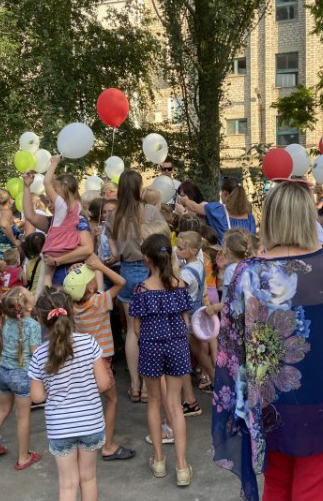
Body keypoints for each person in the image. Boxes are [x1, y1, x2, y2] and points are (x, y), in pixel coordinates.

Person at [212, 181, 323, 501]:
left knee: (276, 488)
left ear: (269, 217)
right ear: (306, 216)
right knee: (313, 492)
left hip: (270, 403)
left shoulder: (246, 272)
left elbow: (230, 349)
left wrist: (236, 406)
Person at [29, 289, 113, 501]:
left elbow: (37, 397)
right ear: (71, 312)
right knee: (88, 479)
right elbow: (104, 384)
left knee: (67, 485)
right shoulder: (89, 343)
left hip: (60, 426)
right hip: (91, 422)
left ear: (40, 319)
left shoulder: (39, 354)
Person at [129, 234, 193, 487]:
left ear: (147, 259)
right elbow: (186, 321)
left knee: (154, 402)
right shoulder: (180, 285)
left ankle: (158, 460)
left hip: (151, 347)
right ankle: (182, 466)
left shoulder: (142, 290)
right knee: (175, 405)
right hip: (177, 345)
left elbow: (136, 329)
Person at [63, 254, 135, 461]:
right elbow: (121, 282)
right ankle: (108, 446)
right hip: (100, 362)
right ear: (91, 288)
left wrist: (73, 275)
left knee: (87, 400)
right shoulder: (99, 302)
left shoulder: (71, 307)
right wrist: (100, 266)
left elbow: (74, 289)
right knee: (111, 400)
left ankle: (82, 440)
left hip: (80, 362)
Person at [104, 170, 165, 403]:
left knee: (131, 330)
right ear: (139, 188)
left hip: (127, 271)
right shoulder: (150, 211)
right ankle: (149, 387)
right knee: (149, 330)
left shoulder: (114, 216)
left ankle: (135, 385)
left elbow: (115, 253)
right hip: (149, 271)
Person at [0, 287, 42, 470]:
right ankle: (24, 457)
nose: (33, 294)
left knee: (2, 410)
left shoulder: (5, 320)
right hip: (22, 375)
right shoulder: (32, 325)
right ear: (26, 306)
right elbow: (35, 353)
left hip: (4, 371)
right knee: (23, 416)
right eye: (30, 294)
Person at [177, 231, 214, 400]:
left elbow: (178, 289)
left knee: (188, 351)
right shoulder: (199, 263)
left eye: (180, 249)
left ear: (192, 250)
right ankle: (214, 378)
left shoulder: (186, 273)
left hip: (188, 314)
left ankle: (187, 392)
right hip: (197, 311)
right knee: (199, 351)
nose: (177, 251)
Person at [39, 155, 82, 287]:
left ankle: (47, 294)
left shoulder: (60, 205)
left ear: (60, 190)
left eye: (55, 189)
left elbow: (46, 182)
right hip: (70, 246)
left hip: (55, 246)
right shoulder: (77, 205)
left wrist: (54, 163)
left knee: (47, 275)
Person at [179, 178, 256, 244]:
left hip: (224, 256)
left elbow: (194, 207)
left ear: (225, 193)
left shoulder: (218, 211)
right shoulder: (250, 217)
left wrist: (184, 199)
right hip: (245, 258)